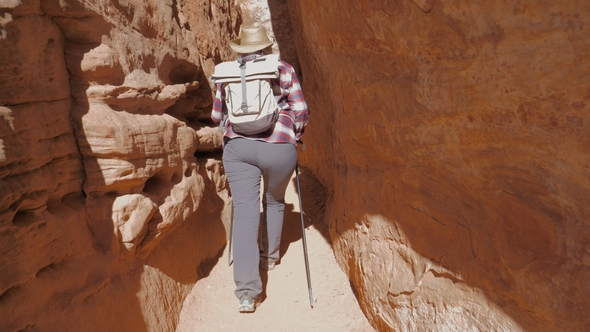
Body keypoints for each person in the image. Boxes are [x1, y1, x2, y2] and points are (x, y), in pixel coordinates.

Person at [211, 25, 310, 313]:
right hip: (279, 146)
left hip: (238, 149)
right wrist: (294, 134)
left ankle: (246, 293)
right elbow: (301, 110)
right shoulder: (282, 68)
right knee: (275, 200)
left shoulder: (227, 73)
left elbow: (217, 115)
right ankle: (270, 257)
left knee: (245, 213)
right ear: (265, 47)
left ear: (240, 48)